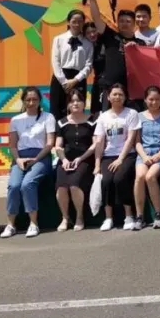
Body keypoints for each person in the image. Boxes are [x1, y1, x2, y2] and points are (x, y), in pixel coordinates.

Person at [2, 87, 57, 238]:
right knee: (14, 185)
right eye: (28, 100)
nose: (31, 103)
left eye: (34, 99)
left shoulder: (48, 117)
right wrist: (18, 160)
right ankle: (10, 224)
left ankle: (33, 223)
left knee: (27, 184)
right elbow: (13, 145)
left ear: (40, 101)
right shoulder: (16, 120)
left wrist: (36, 159)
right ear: (23, 101)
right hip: (20, 158)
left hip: (40, 157)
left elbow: (49, 144)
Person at [93, 83, 141, 230]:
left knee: (120, 178)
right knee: (106, 180)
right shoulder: (103, 117)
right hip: (108, 155)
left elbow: (131, 139)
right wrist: (97, 165)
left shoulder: (132, 113)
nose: (117, 97)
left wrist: (120, 159)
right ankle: (108, 218)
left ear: (125, 97)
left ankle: (129, 216)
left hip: (127, 155)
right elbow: (99, 142)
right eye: (114, 94)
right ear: (108, 97)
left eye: (120, 94)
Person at [88, 0, 145, 110]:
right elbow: (96, 18)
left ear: (134, 24)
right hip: (111, 89)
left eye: (128, 21)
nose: (124, 24)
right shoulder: (110, 36)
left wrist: (137, 48)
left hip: (132, 91)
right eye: (121, 21)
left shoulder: (141, 43)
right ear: (117, 23)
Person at [53, 89, 96, 232]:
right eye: (72, 101)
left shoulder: (92, 121)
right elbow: (58, 146)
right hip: (66, 160)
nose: (75, 103)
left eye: (78, 100)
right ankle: (65, 217)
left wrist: (80, 158)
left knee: (74, 185)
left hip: (85, 159)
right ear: (68, 105)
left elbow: (95, 144)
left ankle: (79, 216)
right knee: (61, 187)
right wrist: (64, 160)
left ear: (84, 103)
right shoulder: (62, 123)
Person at [134, 86, 160, 229]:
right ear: (145, 100)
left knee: (150, 176)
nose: (154, 102)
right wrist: (144, 156)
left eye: (157, 99)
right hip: (144, 153)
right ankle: (139, 217)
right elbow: (137, 142)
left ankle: (158, 214)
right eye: (151, 99)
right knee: (140, 177)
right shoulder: (139, 116)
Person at [49, 10, 93, 122]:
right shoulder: (59, 39)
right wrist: (64, 82)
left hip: (78, 78)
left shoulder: (88, 43)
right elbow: (55, 61)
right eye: (74, 21)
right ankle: (58, 132)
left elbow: (88, 65)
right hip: (60, 78)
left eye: (80, 21)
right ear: (68, 22)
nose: (77, 24)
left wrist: (75, 80)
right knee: (57, 110)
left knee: (77, 109)